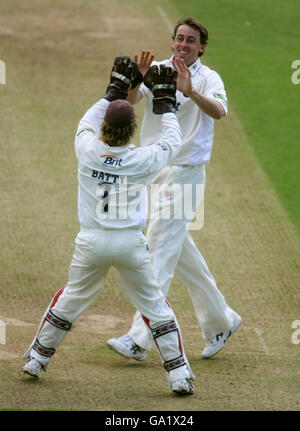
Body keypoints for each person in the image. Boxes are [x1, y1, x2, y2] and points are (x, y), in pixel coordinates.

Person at [21, 56, 195, 395]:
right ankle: (178, 375)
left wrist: (114, 91)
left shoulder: (86, 149)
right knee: (155, 306)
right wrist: (164, 103)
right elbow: (172, 141)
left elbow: (86, 119)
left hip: (92, 243)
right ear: (132, 130)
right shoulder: (142, 158)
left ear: (104, 127)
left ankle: (37, 360)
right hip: (130, 243)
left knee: (70, 300)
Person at [107, 17, 242, 361]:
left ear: (202, 47)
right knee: (180, 252)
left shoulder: (209, 78)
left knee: (159, 250)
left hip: (186, 174)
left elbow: (220, 112)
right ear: (173, 42)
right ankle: (221, 320)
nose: (184, 44)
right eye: (180, 39)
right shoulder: (159, 70)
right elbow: (132, 101)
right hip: (155, 170)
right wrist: (136, 79)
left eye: (191, 40)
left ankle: (140, 338)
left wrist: (191, 91)